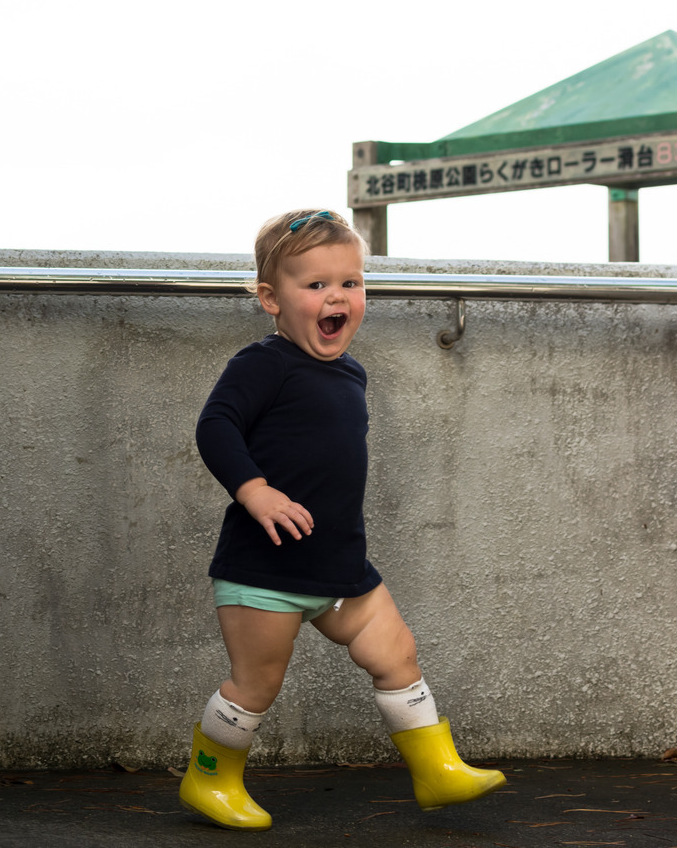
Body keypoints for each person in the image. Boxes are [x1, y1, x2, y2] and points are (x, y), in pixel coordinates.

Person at [178, 209, 505, 831]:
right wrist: (255, 491)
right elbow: (216, 425)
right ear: (271, 299)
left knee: (397, 652)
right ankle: (210, 777)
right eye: (316, 285)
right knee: (256, 684)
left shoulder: (351, 372)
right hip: (265, 571)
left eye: (350, 283)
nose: (337, 297)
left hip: (340, 565)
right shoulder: (264, 363)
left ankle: (436, 768)